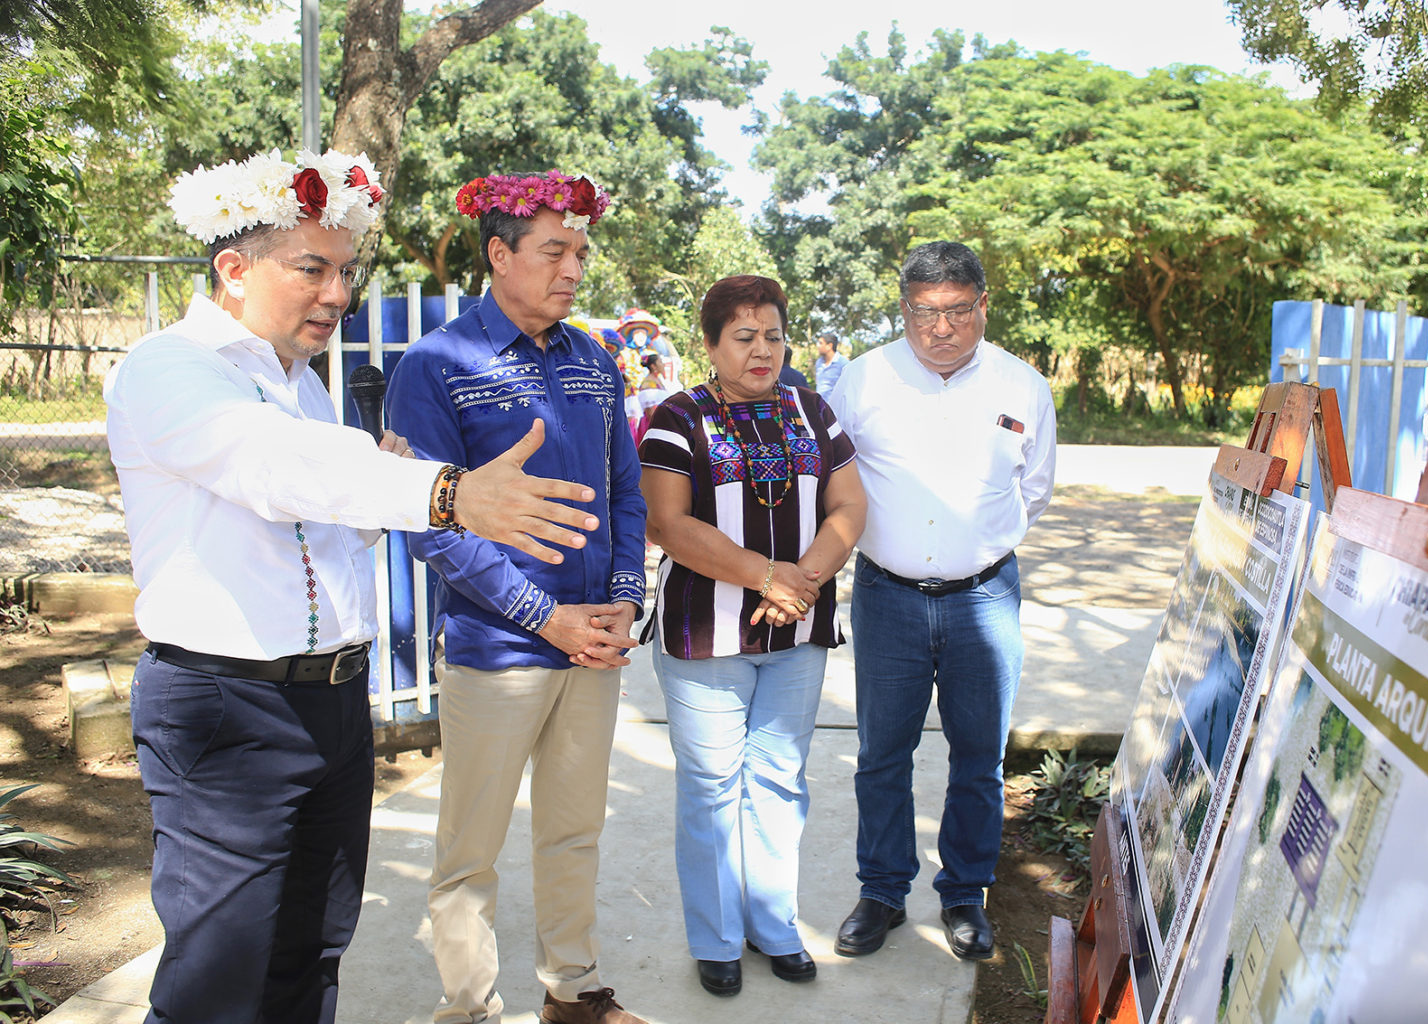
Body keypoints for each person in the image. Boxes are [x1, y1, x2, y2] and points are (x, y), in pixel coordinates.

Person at [106, 150, 600, 1024]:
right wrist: (447, 491)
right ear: (233, 267)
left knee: (312, 948)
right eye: (312, 269)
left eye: (345, 271)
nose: (337, 294)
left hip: (331, 705)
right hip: (227, 707)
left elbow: (323, 520)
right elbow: (268, 468)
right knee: (221, 974)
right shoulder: (169, 367)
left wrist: (382, 490)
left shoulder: (302, 387)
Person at [385, 170, 650, 1024]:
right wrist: (546, 617)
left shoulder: (596, 360)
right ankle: (468, 1007)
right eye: (552, 251)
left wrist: (620, 605)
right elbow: (429, 525)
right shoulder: (436, 366)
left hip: (594, 646)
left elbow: (623, 492)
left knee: (574, 833)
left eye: (580, 251)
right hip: (498, 652)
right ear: (498, 255)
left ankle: (573, 992)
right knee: (471, 852)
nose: (573, 268)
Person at [828, 241, 1055, 962]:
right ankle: (882, 892)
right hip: (887, 599)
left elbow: (1036, 489)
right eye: (924, 313)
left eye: (958, 310)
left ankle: (964, 895)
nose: (941, 328)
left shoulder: (1023, 388)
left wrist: (974, 544)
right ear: (904, 310)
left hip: (984, 599)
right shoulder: (863, 381)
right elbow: (835, 485)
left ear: (983, 306)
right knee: (881, 754)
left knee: (979, 758)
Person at [640, 275, 867, 996]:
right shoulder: (679, 417)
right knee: (712, 789)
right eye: (744, 337)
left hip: (795, 631)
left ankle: (773, 925)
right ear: (710, 346)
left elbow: (849, 502)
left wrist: (801, 580)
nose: (762, 350)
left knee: (777, 781)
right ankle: (715, 939)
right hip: (707, 636)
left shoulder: (812, 409)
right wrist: (766, 576)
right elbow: (667, 524)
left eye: (773, 335)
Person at [813, 331, 848, 399]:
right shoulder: (819, 362)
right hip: (820, 406)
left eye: (820, 343)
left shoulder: (843, 364)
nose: (818, 346)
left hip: (835, 407)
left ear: (829, 346)